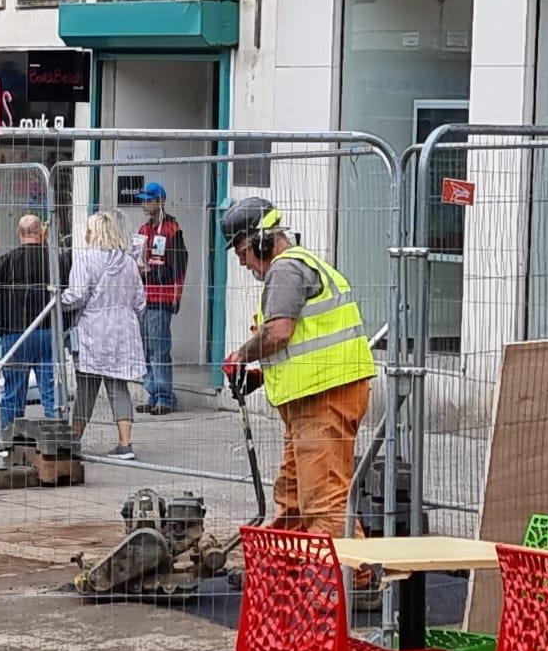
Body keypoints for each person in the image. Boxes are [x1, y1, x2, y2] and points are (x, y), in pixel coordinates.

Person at [220, 197, 377, 590]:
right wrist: (258, 373)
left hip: (325, 395)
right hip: (314, 395)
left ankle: (356, 580)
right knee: (292, 495)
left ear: (259, 242)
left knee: (323, 498)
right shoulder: (301, 266)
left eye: (242, 253)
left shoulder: (286, 270)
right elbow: (300, 343)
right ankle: (282, 571)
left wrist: (242, 355)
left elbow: (279, 333)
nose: (242, 263)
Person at [61, 211, 146, 460]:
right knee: (118, 385)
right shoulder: (129, 262)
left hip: (93, 328)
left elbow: (77, 295)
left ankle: (73, 441)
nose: (85, 234)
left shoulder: (86, 259)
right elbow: (140, 301)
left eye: (88, 229)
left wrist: (58, 301)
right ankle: (125, 443)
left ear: (95, 232)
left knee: (86, 387)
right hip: (123, 330)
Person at [0, 214, 70, 432]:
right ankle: (57, 438)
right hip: (47, 332)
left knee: (13, 391)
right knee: (51, 391)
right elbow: (66, 298)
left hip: (15, 334)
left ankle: (10, 438)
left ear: (19, 234)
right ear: (41, 232)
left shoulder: (4, 262)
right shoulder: (56, 261)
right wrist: (63, 328)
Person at [134, 182, 187, 415]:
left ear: (160, 201)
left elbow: (179, 266)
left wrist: (176, 294)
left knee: (159, 349)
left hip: (161, 296)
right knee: (145, 349)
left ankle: (164, 397)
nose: (145, 203)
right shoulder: (144, 230)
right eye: (143, 199)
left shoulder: (172, 229)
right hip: (144, 296)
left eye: (149, 199)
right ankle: (153, 393)